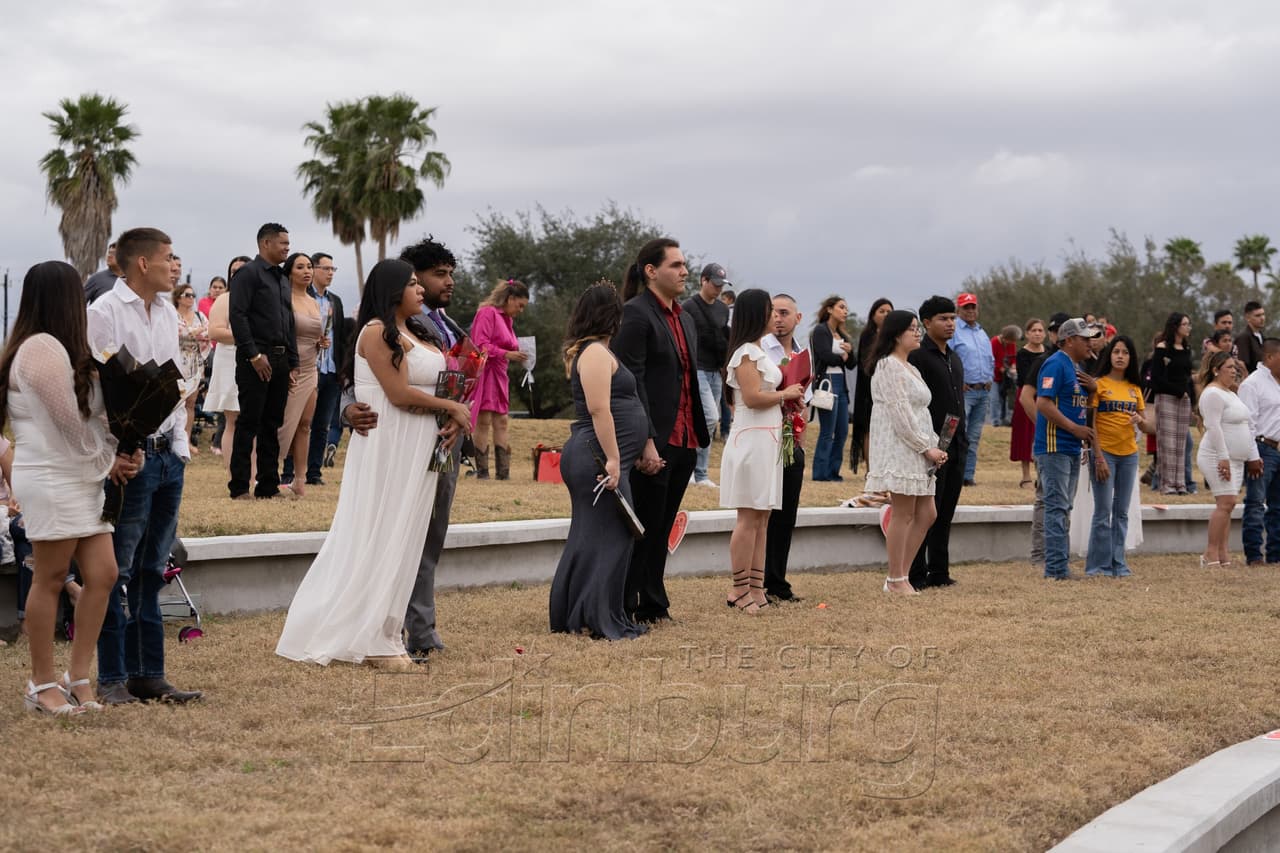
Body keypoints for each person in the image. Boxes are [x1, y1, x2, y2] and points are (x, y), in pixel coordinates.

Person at [276, 259, 471, 666]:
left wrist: (452, 413)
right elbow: (398, 394)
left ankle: (386, 632)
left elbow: (436, 381)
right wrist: (451, 405)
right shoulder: (374, 332)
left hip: (420, 444)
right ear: (392, 289)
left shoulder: (418, 330)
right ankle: (376, 639)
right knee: (382, 533)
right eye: (413, 283)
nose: (421, 290)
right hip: (389, 444)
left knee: (408, 537)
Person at [0, 262, 139, 714]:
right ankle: (40, 684)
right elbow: (67, 424)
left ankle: (78, 676)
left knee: (103, 575)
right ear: (62, 298)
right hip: (51, 472)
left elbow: (90, 419)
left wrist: (125, 435)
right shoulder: (39, 348)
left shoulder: (67, 349)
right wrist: (109, 457)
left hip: (80, 473)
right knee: (52, 576)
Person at [88, 227, 201, 704]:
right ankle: (112, 677)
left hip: (165, 457)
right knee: (119, 571)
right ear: (142, 264)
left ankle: (148, 673)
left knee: (155, 568)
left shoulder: (165, 314)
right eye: (168, 258)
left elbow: (171, 387)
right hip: (128, 459)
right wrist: (115, 451)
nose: (174, 267)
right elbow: (96, 392)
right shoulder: (104, 312)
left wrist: (179, 443)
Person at [612, 237, 709, 623]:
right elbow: (630, 381)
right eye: (676, 265)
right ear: (651, 271)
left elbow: (687, 378)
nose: (685, 271)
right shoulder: (635, 315)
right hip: (653, 439)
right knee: (644, 527)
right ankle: (628, 603)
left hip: (685, 437)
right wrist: (646, 440)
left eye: (685, 264)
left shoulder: (685, 317)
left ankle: (653, 600)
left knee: (663, 525)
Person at [549, 282, 649, 639]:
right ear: (612, 315)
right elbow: (597, 408)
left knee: (604, 536)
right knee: (605, 536)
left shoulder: (601, 352)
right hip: (597, 457)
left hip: (607, 456)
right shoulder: (592, 353)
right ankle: (590, 616)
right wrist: (612, 458)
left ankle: (588, 612)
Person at [398, 234, 468, 658]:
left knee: (434, 535)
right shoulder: (399, 323)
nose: (449, 282)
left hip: (447, 438)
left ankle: (423, 625)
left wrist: (460, 416)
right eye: (439, 274)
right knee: (413, 535)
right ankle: (418, 630)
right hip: (412, 437)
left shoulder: (448, 324)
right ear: (414, 279)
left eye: (451, 274)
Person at [719, 290, 804, 613]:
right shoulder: (745, 354)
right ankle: (738, 588)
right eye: (770, 311)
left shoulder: (760, 352)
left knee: (763, 516)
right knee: (749, 515)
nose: (776, 316)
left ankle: (757, 586)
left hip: (768, 437)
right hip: (751, 439)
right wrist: (786, 394)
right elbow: (752, 397)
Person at [864, 310, 945, 595]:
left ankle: (900, 575)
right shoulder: (888, 366)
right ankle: (896, 578)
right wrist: (925, 447)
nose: (917, 333)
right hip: (902, 448)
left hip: (921, 446)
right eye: (912, 328)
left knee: (927, 513)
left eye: (917, 328)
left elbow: (919, 412)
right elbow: (900, 414)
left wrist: (934, 444)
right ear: (896, 333)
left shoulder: (911, 368)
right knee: (904, 513)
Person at [228, 223, 298, 500]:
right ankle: (240, 487)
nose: (287, 248)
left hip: (281, 360)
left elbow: (288, 321)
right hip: (255, 358)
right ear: (266, 243)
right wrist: (254, 354)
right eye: (283, 243)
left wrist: (292, 362)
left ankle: (268, 485)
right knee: (249, 422)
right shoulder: (248, 274)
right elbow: (238, 315)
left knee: (272, 423)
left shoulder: (282, 278)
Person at [907, 296, 968, 589]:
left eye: (953, 318)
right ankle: (915, 574)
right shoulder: (917, 357)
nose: (950, 323)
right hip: (932, 444)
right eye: (944, 318)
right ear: (927, 322)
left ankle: (939, 571)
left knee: (946, 512)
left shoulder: (954, 357)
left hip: (957, 443)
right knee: (926, 512)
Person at [1034, 318, 1099, 580]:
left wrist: (1093, 391)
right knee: (1057, 506)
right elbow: (1043, 403)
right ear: (1069, 340)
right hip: (1054, 447)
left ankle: (1060, 565)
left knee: (1064, 507)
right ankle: (1055, 569)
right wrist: (1074, 429)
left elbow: (1081, 405)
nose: (1090, 343)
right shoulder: (1055, 364)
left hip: (1070, 447)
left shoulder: (1076, 368)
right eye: (1085, 339)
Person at [1086, 335, 1154, 577]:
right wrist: (1098, 458)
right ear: (1109, 355)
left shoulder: (1134, 388)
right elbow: (1090, 424)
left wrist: (1141, 420)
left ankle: (1118, 563)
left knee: (1122, 512)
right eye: (1116, 351)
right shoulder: (1098, 384)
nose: (1120, 356)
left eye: (1125, 352)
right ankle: (1098, 567)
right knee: (1103, 512)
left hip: (1129, 455)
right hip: (1105, 454)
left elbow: (1149, 427)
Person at [761, 293, 808, 601]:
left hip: (793, 437)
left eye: (783, 312)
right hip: (765, 436)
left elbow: (807, 398)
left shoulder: (804, 354)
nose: (778, 318)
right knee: (762, 512)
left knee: (786, 514)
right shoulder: (760, 350)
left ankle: (777, 580)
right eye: (773, 312)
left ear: (797, 318)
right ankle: (755, 581)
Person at [1194, 352, 1254, 567]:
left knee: (1227, 505)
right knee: (1226, 503)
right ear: (1216, 370)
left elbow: (1245, 424)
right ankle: (1210, 553)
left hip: (1235, 459)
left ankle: (1223, 552)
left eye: (1234, 367)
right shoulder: (1212, 394)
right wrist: (1223, 458)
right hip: (1216, 456)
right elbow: (1213, 426)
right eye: (1229, 367)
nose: (1234, 371)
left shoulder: (1230, 393)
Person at [1020, 312, 1069, 571]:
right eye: (1055, 330)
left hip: (1071, 443)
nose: (1058, 334)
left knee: (1062, 499)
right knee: (1045, 498)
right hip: (1049, 443)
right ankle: (1040, 554)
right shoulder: (1044, 361)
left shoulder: (1078, 362)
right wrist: (1044, 425)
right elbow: (1026, 397)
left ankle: (1059, 552)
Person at [469, 279, 530, 480]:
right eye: (519, 305)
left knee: (502, 420)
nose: (521, 310)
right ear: (510, 298)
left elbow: (507, 346)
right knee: (484, 420)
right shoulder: (487, 313)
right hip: (485, 371)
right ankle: (482, 471)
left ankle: (503, 473)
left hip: (500, 372)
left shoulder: (507, 320)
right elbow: (480, 344)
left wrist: (520, 355)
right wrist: (506, 354)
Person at [276, 252, 321, 498]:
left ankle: (300, 480)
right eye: (300, 267)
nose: (307, 271)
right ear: (290, 271)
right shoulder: (283, 299)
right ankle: (270, 472)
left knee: (305, 425)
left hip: (311, 366)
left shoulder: (314, 302)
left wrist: (321, 341)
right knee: (285, 423)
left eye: (309, 266)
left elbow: (314, 332)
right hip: (290, 367)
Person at [682, 263, 731, 486]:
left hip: (715, 370)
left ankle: (700, 473)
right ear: (703, 280)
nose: (719, 289)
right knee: (709, 417)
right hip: (697, 368)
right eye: (715, 284)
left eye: (722, 285)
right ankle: (692, 469)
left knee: (707, 420)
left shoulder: (722, 309)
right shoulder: (689, 307)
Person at [303, 253, 345, 487]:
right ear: (313, 269)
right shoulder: (302, 297)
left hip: (330, 370)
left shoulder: (335, 301)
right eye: (325, 268)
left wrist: (341, 369)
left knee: (322, 424)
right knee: (302, 422)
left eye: (333, 269)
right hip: (309, 368)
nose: (330, 273)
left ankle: (314, 472)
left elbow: (339, 336)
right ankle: (290, 471)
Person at [1238, 338, 1280, 565]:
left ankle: (1276, 554)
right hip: (1262, 448)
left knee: (1278, 506)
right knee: (1255, 503)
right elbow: (1248, 424)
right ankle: (1254, 555)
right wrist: (1253, 456)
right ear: (1270, 358)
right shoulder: (1252, 384)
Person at [949, 292, 995, 487]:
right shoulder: (954, 330)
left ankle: (967, 476)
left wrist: (990, 377)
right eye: (966, 307)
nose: (970, 311)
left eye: (972, 307)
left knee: (974, 436)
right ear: (958, 309)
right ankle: (952, 473)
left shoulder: (981, 332)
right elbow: (947, 357)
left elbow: (989, 358)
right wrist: (956, 382)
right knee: (956, 432)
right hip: (964, 391)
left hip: (983, 390)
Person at [208, 257, 250, 456]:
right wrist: (249, 338)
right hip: (229, 361)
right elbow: (215, 332)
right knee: (233, 420)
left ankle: (253, 475)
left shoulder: (260, 297)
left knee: (253, 421)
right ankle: (234, 474)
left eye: (242, 270)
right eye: (234, 270)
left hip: (256, 361)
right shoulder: (225, 299)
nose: (237, 274)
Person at [1150, 312, 1196, 495]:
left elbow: (1187, 376)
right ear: (1176, 326)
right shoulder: (1162, 348)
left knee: (1180, 443)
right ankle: (1167, 484)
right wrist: (1177, 391)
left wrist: (1190, 397)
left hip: (1183, 400)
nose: (1188, 327)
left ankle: (1180, 484)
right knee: (1167, 443)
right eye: (1185, 324)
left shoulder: (1186, 349)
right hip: (1167, 398)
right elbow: (1157, 378)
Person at [810, 296, 852, 481]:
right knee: (828, 430)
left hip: (841, 384)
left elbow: (852, 363)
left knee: (842, 431)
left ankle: (833, 471)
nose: (845, 311)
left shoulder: (843, 334)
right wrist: (842, 356)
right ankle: (820, 473)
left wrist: (848, 353)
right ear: (829, 309)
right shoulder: (820, 330)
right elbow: (825, 356)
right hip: (826, 382)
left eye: (846, 309)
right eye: (841, 307)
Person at [850, 298, 893, 474]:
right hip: (869, 391)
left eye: (889, 312)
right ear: (873, 315)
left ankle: (886, 469)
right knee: (869, 431)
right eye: (881, 311)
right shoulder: (867, 335)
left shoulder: (894, 337)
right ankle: (871, 470)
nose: (885, 314)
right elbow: (865, 364)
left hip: (891, 390)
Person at [173, 282, 211, 454]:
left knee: (190, 403)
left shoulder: (200, 315)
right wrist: (196, 332)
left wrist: (192, 333)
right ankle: (174, 439)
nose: (190, 298)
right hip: (176, 363)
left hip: (195, 363)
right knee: (175, 402)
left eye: (192, 295)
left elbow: (208, 334)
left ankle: (186, 441)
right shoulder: (172, 314)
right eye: (187, 295)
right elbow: (178, 334)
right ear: (178, 297)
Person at [1011, 318, 1046, 487]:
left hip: (1046, 398)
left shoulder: (1049, 353)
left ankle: (1042, 473)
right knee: (1025, 436)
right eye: (1034, 330)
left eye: (1040, 330)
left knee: (1042, 435)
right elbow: (1025, 377)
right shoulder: (1022, 354)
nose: (1037, 333)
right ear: (1027, 334)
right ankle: (1025, 475)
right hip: (1027, 396)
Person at [991, 325, 1020, 426]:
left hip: (1006, 377)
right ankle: (995, 421)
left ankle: (1005, 419)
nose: (1012, 343)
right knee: (995, 399)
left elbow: (1013, 358)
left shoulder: (1011, 344)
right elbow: (991, 359)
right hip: (994, 376)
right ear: (1005, 338)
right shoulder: (994, 342)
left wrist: (1013, 367)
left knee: (1006, 398)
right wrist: (1000, 368)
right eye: (1011, 341)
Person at [1235, 301, 1266, 374]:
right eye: (1258, 315)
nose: (1262, 318)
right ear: (1248, 318)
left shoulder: (1262, 337)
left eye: (1263, 314)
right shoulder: (1243, 337)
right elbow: (1241, 364)